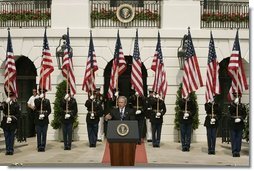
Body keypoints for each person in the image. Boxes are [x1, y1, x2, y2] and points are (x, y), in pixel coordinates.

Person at [229, 93, 247, 157]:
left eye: (238, 96)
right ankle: (234, 151)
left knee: (239, 138)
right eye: (235, 97)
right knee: (233, 138)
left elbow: (244, 114)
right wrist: (234, 104)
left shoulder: (242, 106)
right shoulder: (231, 105)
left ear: (240, 97)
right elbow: (230, 112)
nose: (237, 98)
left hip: (240, 123)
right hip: (233, 123)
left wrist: (241, 118)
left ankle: (238, 151)